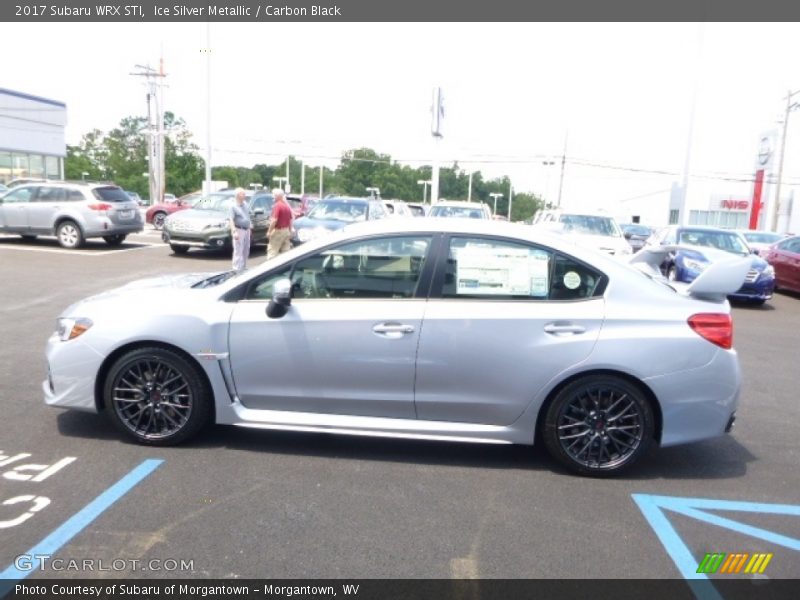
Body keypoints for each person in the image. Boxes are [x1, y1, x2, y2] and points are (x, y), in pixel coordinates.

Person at [267, 187, 293, 259]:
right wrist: (290, 231)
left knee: (272, 252)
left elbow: (274, 220)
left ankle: (271, 268)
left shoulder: (277, 205)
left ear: (278, 196)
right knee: (286, 253)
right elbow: (290, 220)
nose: (273, 197)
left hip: (278, 231)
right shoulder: (286, 206)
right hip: (286, 231)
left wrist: (269, 231)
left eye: (274, 195)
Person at [230, 188, 252, 272]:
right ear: (238, 195)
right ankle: (236, 270)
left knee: (246, 250)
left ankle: (243, 268)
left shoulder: (245, 204)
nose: (244, 195)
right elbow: (231, 220)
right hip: (239, 230)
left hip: (247, 230)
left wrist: (250, 227)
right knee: (238, 251)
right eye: (243, 194)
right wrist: (234, 231)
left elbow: (247, 216)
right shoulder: (233, 206)